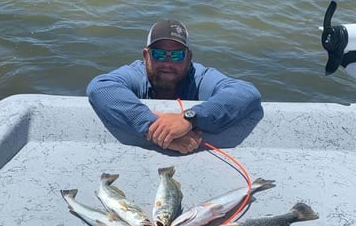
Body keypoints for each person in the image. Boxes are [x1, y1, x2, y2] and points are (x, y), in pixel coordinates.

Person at [87, 19, 262, 154]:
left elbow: (246, 93)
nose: (167, 63)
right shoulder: (136, 74)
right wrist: (155, 128)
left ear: (189, 57)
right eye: (159, 54)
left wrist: (189, 119)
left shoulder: (198, 77)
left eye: (177, 55)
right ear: (145, 56)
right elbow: (100, 87)